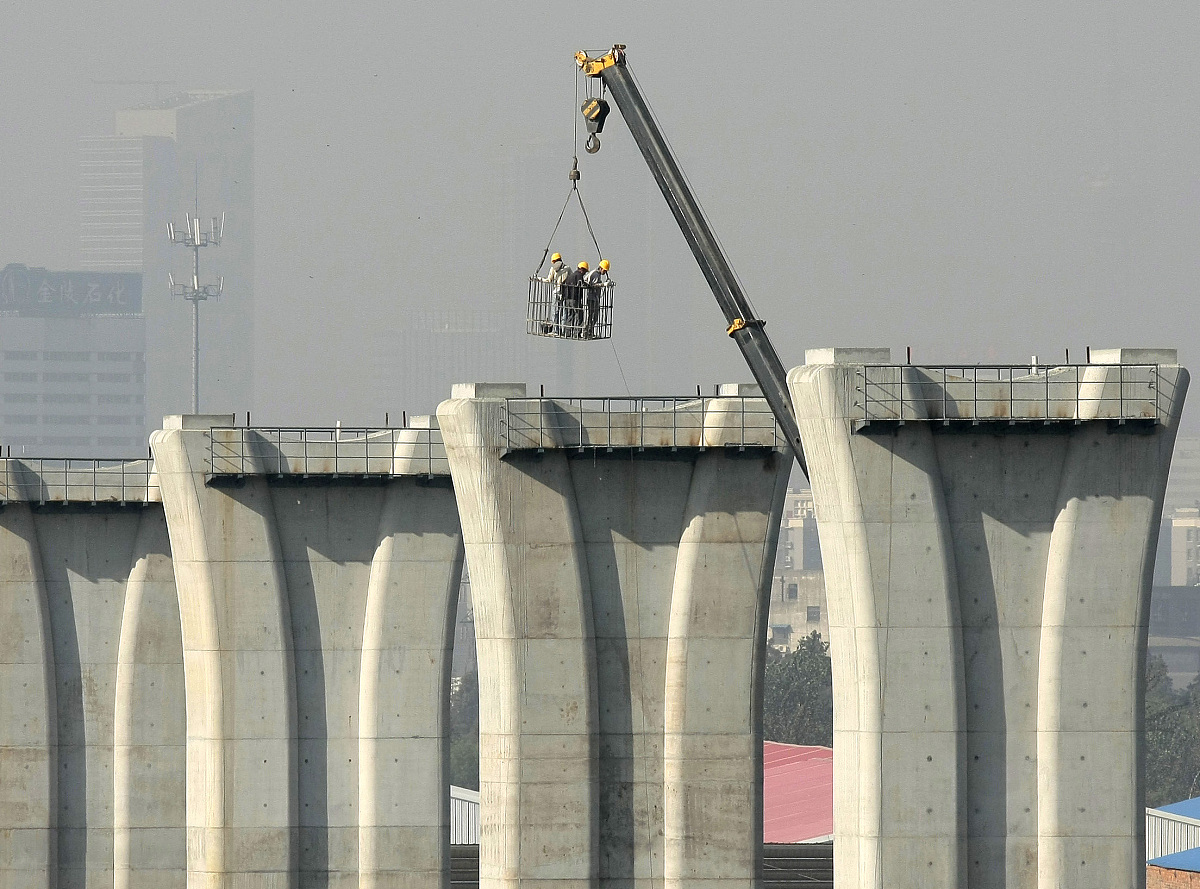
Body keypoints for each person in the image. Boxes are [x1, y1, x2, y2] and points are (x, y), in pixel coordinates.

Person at [582, 259, 612, 339]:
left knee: (592, 316)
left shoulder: (594, 273)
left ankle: (589, 331)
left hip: (593, 298)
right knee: (593, 316)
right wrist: (603, 284)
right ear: (601, 268)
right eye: (604, 271)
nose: (605, 272)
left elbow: (586, 280)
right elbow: (593, 285)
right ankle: (587, 332)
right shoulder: (595, 274)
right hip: (592, 298)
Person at [562, 261, 589, 337]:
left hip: (567, 299)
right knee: (579, 315)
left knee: (570, 315)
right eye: (585, 271)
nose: (585, 274)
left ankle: (567, 332)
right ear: (582, 269)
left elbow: (563, 284)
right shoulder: (579, 275)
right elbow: (582, 284)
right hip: (575, 299)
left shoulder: (570, 276)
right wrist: (589, 286)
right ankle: (577, 333)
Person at [544, 253, 568, 334]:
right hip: (565, 292)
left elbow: (549, 280)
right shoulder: (567, 268)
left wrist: (539, 279)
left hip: (556, 291)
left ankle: (556, 330)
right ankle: (563, 330)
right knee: (564, 311)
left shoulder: (553, 269)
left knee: (555, 311)